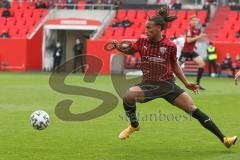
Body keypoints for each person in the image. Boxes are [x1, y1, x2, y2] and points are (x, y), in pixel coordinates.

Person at [111, 6, 237, 148]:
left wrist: (186, 83)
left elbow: (175, 65)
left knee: (193, 109)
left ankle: (224, 139)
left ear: (159, 28)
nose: (146, 31)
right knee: (128, 96)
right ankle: (134, 125)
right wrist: (119, 47)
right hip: (148, 85)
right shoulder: (142, 42)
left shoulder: (170, 45)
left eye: (149, 28)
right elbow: (130, 50)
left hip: (168, 85)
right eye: (145, 28)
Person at [178, 15, 207, 90]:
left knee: (202, 64)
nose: (195, 22)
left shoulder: (197, 30)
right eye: (193, 20)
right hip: (185, 52)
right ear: (190, 22)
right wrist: (199, 36)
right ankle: (165, 78)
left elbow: (192, 41)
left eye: (196, 20)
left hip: (191, 51)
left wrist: (194, 46)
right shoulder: (188, 29)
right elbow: (188, 40)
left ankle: (197, 84)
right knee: (177, 66)